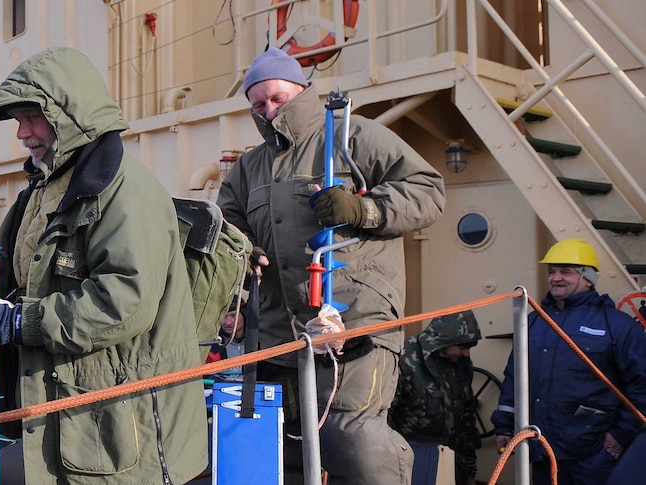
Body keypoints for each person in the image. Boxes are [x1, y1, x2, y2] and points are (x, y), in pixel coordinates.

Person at [0, 47, 207, 484]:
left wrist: (16, 325)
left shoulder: (126, 193)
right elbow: (26, 283)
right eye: (19, 120)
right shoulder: (42, 192)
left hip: (122, 425)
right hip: (72, 412)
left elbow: (124, 303)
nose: (22, 133)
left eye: (32, 117)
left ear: (70, 115)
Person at [216, 47, 445, 484]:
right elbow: (228, 226)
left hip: (355, 320)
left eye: (278, 98)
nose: (268, 110)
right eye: (258, 104)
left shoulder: (353, 137)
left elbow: (428, 190)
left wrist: (366, 211)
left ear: (301, 91)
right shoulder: (249, 167)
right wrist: (240, 271)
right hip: (279, 329)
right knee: (284, 445)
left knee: (349, 435)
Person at [491, 238, 646, 485]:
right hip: (543, 448)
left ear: (588, 278)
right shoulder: (533, 322)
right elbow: (515, 377)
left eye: (566, 272)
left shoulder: (617, 326)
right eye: (552, 272)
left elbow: (641, 386)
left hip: (595, 454)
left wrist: (618, 436)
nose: (556, 278)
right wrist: (504, 427)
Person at [389, 310, 483, 485]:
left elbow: (467, 416)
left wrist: (470, 468)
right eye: (462, 347)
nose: (466, 354)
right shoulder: (404, 359)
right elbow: (384, 418)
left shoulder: (461, 365)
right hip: (411, 462)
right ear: (442, 342)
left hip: (451, 460)